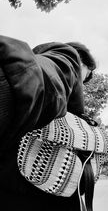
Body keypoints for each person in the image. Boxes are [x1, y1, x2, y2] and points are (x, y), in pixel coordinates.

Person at [0, 36, 96, 211]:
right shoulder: (67, 57)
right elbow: (45, 80)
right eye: (86, 76)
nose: (81, 84)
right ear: (82, 63)